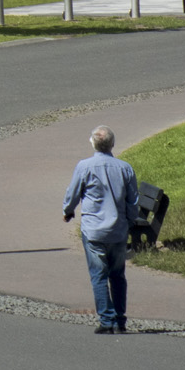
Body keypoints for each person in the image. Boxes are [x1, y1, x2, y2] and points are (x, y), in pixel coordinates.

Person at [61, 126, 138, 332]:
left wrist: (68, 211)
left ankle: (106, 320)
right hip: (118, 230)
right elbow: (133, 201)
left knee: (99, 275)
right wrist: (129, 222)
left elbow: (73, 193)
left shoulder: (84, 166)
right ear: (112, 144)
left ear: (93, 143)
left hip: (94, 229)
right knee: (118, 275)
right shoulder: (125, 168)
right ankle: (120, 319)